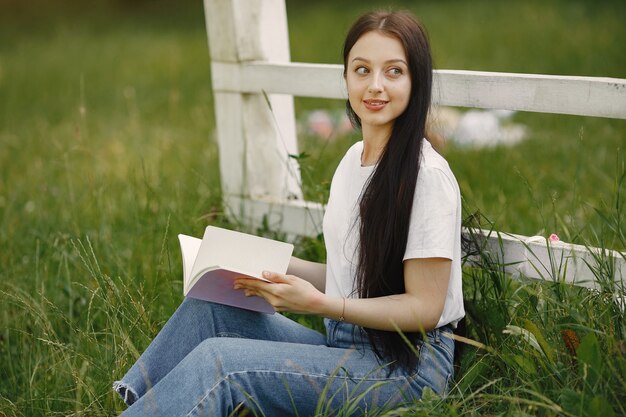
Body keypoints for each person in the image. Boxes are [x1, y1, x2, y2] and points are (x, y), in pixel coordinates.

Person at [113, 10, 464, 416]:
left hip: (406, 369)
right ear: (346, 78)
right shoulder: (355, 161)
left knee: (223, 364)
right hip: (348, 346)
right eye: (362, 69)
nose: (375, 85)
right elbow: (349, 275)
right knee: (209, 309)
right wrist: (271, 267)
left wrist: (318, 304)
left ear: (416, 80)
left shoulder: (428, 176)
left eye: (394, 71)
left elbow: (424, 307)